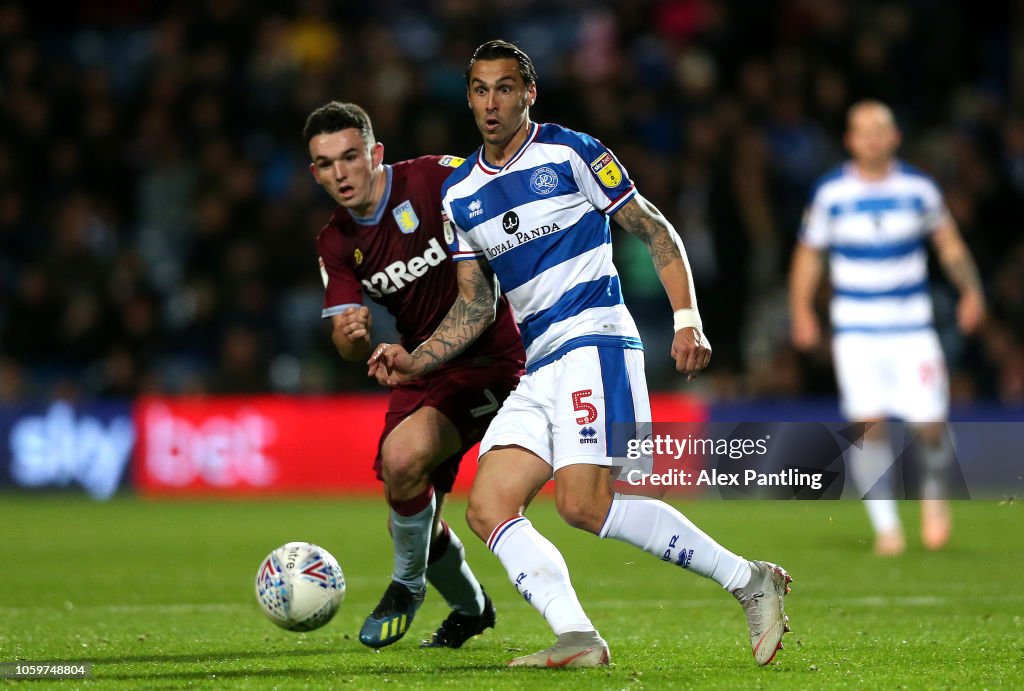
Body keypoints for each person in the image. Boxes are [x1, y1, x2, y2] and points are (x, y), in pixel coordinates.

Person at [371, 40, 791, 668]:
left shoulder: (572, 152)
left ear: (528, 93)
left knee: (583, 505)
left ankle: (747, 578)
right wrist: (416, 358)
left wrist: (686, 319)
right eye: (481, 89)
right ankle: (579, 637)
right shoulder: (458, 196)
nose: (492, 102)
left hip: (594, 340)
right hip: (540, 364)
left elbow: (654, 228)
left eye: (505, 88)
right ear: (468, 98)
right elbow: (474, 307)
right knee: (488, 508)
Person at [305, 101, 525, 648]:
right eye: (326, 163)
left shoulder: (434, 178)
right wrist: (351, 338)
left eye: (350, 157)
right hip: (420, 367)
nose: (341, 173)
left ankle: (406, 588)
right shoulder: (335, 243)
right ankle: (473, 611)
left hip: (489, 356)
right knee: (409, 517)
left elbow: (506, 191)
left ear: (376, 154)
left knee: (403, 463)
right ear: (315, 172)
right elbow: (345, 342)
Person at [789, 99, 986, 556]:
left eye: (881, 129)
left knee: (929, 424)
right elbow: (808, 255)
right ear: (850, 140)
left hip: (911, 326)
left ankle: (935, 495)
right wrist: (801, 310)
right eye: (863, 130)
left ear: (895, 137)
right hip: (856, 328)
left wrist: (971, 291)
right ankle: (887, 527)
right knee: (868, 424)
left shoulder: (919, 190)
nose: (873, 137)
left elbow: (948, 243)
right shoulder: (831, 194)